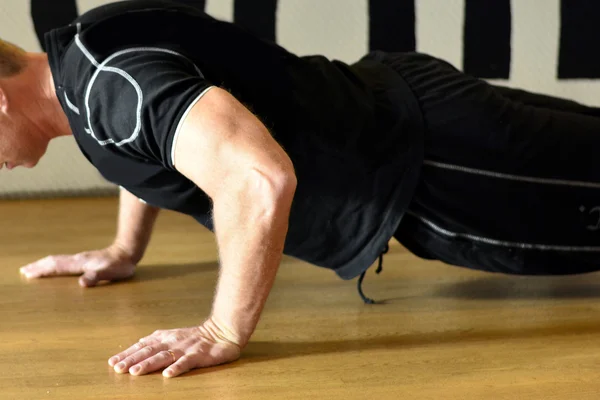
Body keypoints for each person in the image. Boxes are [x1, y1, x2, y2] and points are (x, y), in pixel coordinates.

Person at [5, 0, 600, 378]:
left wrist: (222, 332)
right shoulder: (85, 58)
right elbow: (161, 143)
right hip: (413, 114)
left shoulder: (111, 89)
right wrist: (123, 250)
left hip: (429, 170)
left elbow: (259, 178)